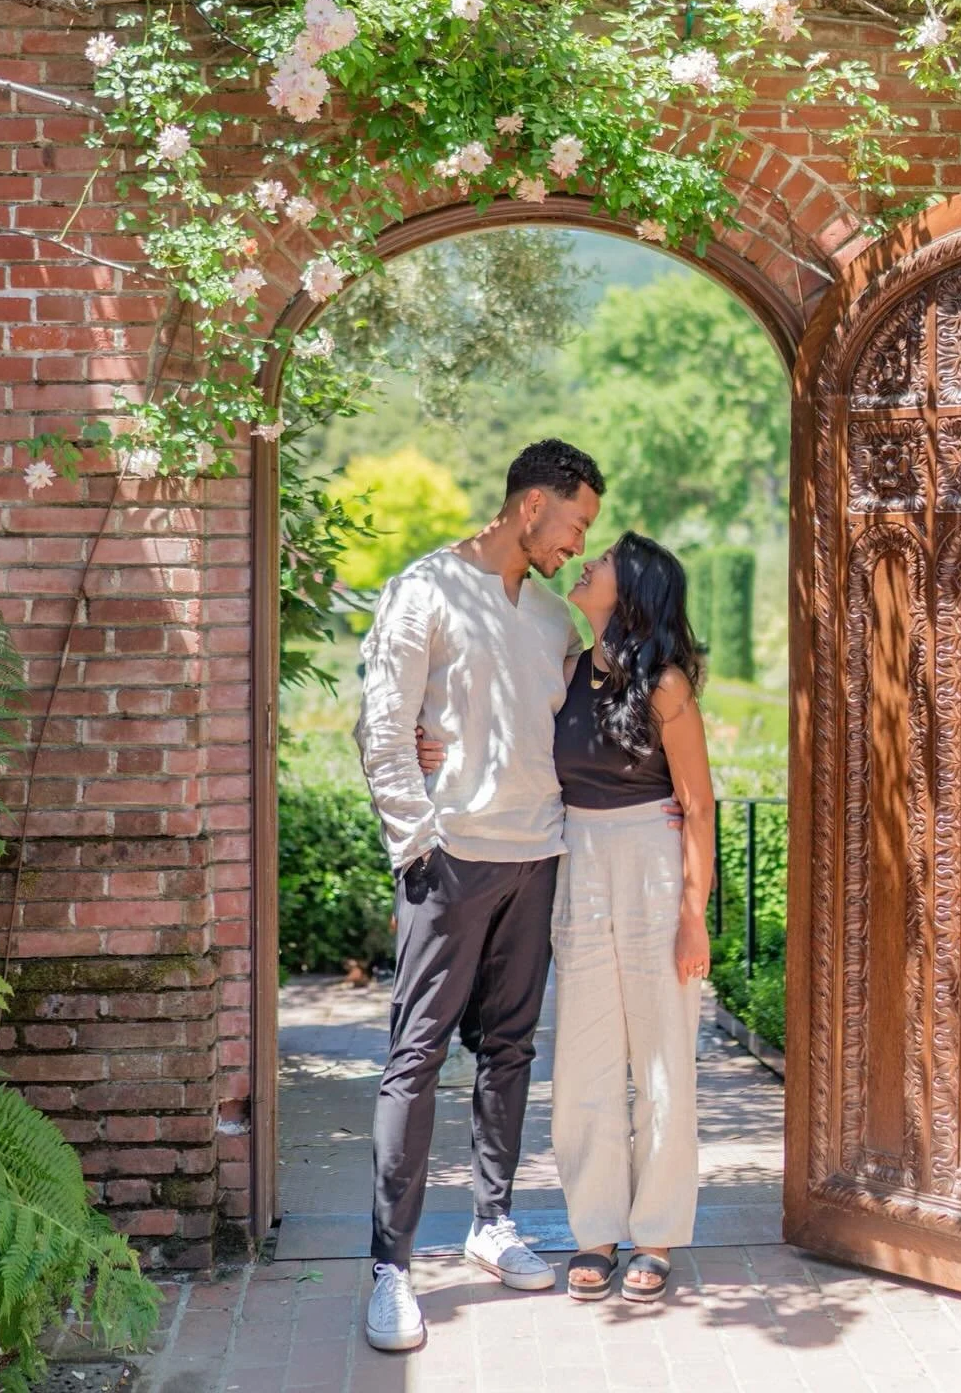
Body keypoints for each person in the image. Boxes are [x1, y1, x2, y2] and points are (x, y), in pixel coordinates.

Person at [352, 439, 604, 1353]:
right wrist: (417, 844)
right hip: (450, 859)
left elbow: (575, 731)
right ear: (533, 505)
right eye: (576, 523)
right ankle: (390, 1268)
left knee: (508, 1051)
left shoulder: (552, 621)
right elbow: (382, 722)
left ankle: (491, 1222)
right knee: (414, 1058)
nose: (578, 545)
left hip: (537, 858)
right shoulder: (424, 588)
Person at [550, 533, 715, 1305]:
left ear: (634, 589)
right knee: (583, 1054)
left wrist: (694, 914)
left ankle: (655, 1235)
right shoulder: (565, 672)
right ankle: (594, 1231)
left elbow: (699, 803)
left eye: (604, 557)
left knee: (660, 1056)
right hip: (578, 858)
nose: (587, 562)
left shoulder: (666, 687)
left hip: (653, 854)